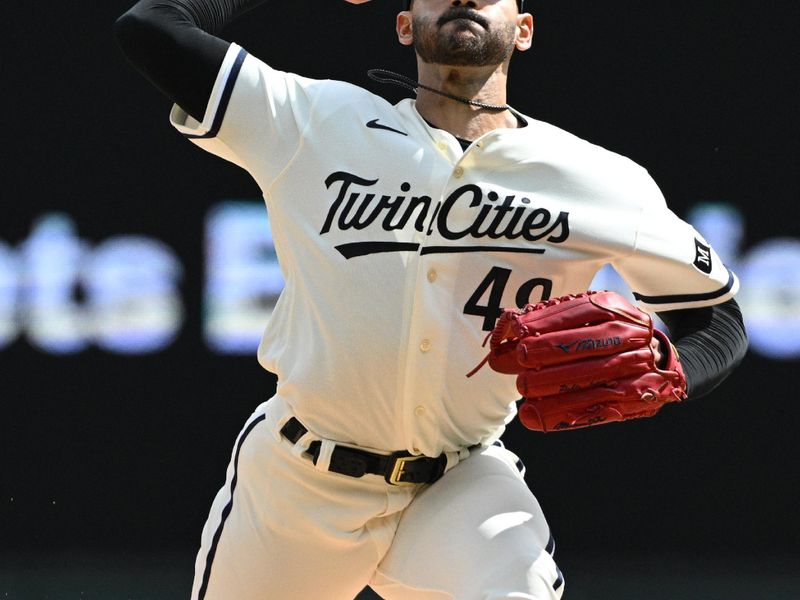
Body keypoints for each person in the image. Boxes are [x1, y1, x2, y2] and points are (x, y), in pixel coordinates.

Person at [114, 1, 748, 598]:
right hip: (296, 481)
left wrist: (675, 371)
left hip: (460, 484)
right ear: (403, 26)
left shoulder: (599, 180)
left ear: (524, 29)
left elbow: (717, 317)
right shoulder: (312, 120)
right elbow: (151, 26)